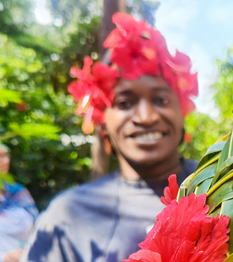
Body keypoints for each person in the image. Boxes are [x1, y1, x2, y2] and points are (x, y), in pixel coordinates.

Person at [21, 13, 199, 262]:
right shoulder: (66, 217)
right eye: (125, 103)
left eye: (161, 100)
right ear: (102, 119)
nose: (146, 117)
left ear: (182, 109)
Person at [0, 143, 39, 262]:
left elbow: (38, 227)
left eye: (5, 155)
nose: (5, 161)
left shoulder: (18, 192)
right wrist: (4, 257)